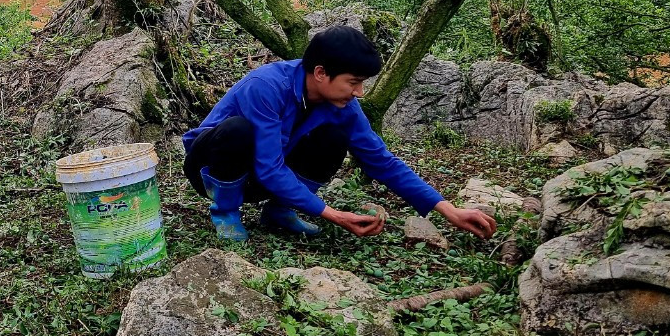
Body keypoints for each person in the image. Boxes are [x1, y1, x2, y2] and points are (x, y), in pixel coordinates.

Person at [182, 25, 498, 242]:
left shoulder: (342, 105)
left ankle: (279, 211)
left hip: (259, 177)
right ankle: (225, 212)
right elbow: (269, 167)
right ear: (321, 73)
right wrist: (335, 215)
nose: (359, 92)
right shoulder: (265, 86)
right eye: (353, 81)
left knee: (334, 137)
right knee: (238, 130)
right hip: (210, 168)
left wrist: (447, 208)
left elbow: (381, 161)